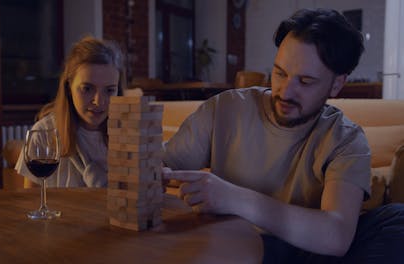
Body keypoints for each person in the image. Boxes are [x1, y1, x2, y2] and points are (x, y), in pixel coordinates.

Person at [162, 8, 404, 263]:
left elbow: (336, 235)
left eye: (306, 81)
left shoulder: (347, 140)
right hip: (230, 247)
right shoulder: (224, 108)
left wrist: (233, 198)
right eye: (280, 73)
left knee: (398, 221)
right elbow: (163, 164)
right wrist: (147, 171)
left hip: (303, 253)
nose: (286, 92)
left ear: (336, 84)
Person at [15, 36, 125, 188]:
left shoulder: (130, 135)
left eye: (110, 90)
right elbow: (31, 202)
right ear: (69, 88)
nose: (99, 101)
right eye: (87, 89)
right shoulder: (43, 134)